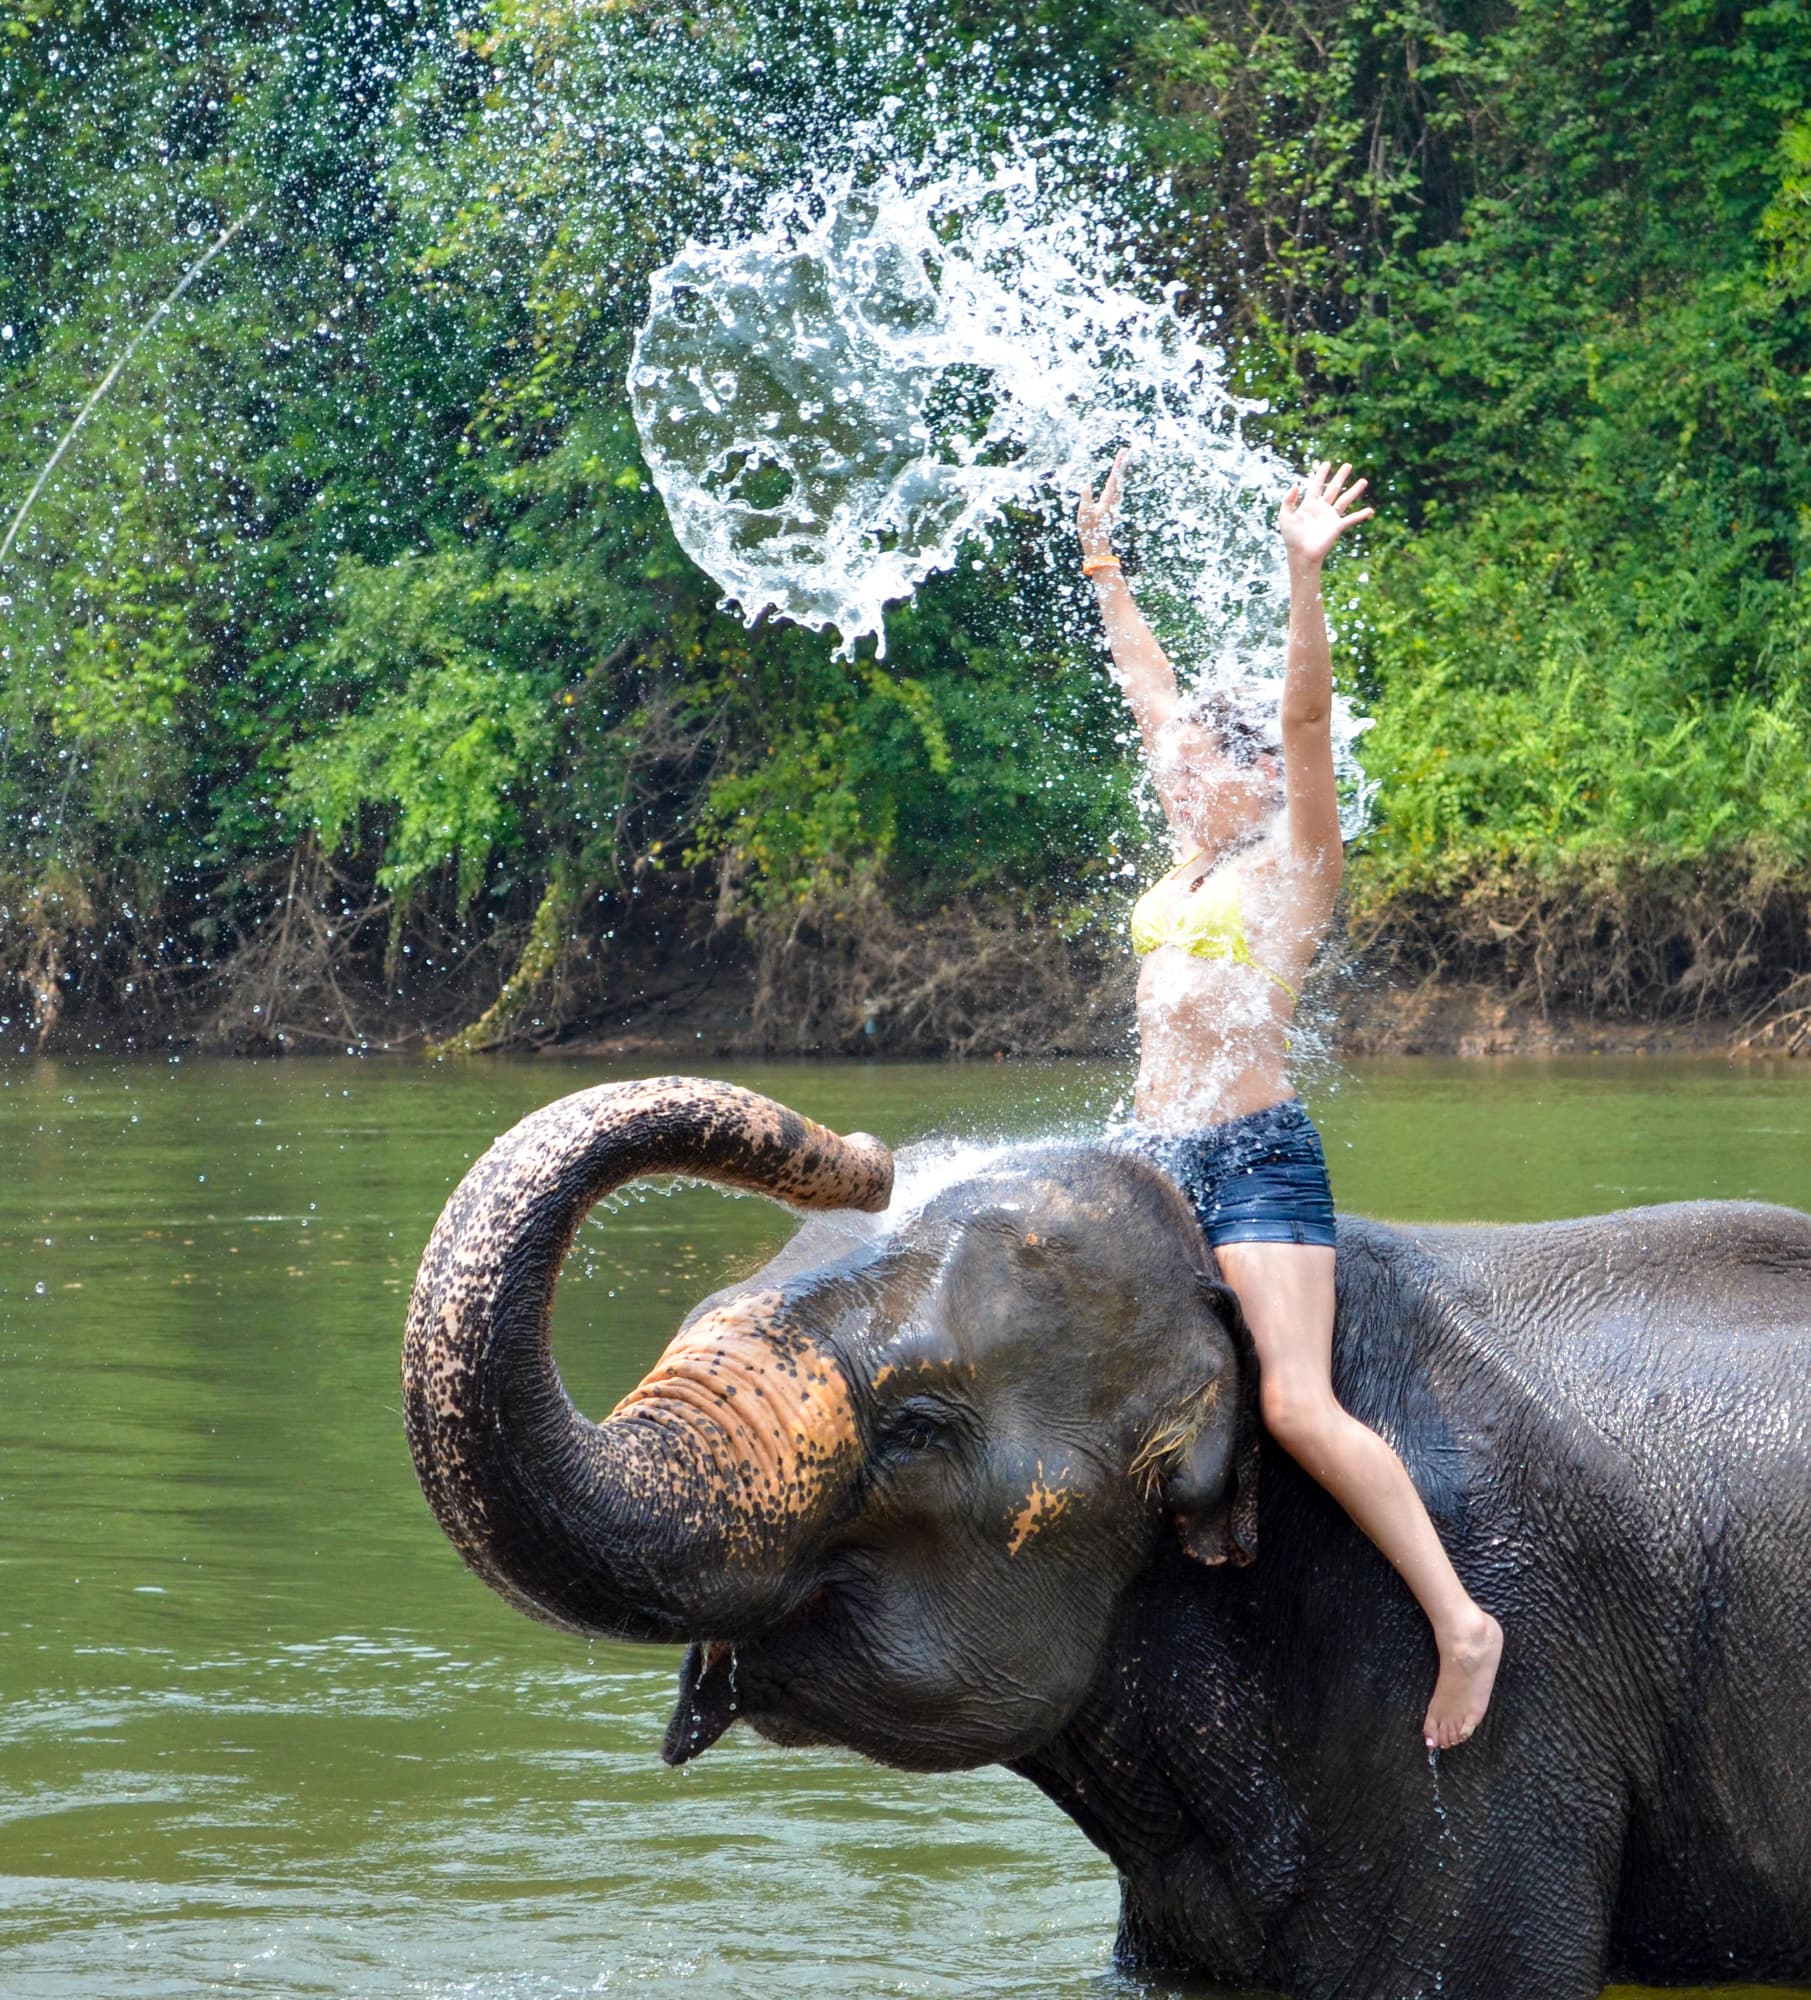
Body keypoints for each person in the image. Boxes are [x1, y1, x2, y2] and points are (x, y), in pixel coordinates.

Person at [1076, 452, 1502, 1751]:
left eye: (1207, 757)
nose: (1180, 766)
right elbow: (1148, 692)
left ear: (1258, 780)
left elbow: (1309, 723)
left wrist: (1301, 575)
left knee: (1294, 1406)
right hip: (1153, 1160)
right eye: (1183, 756)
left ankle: (1461, 1622)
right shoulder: (1188, 858)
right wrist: (1103, 566)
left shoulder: (1290, 871)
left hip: (1256, 1164)